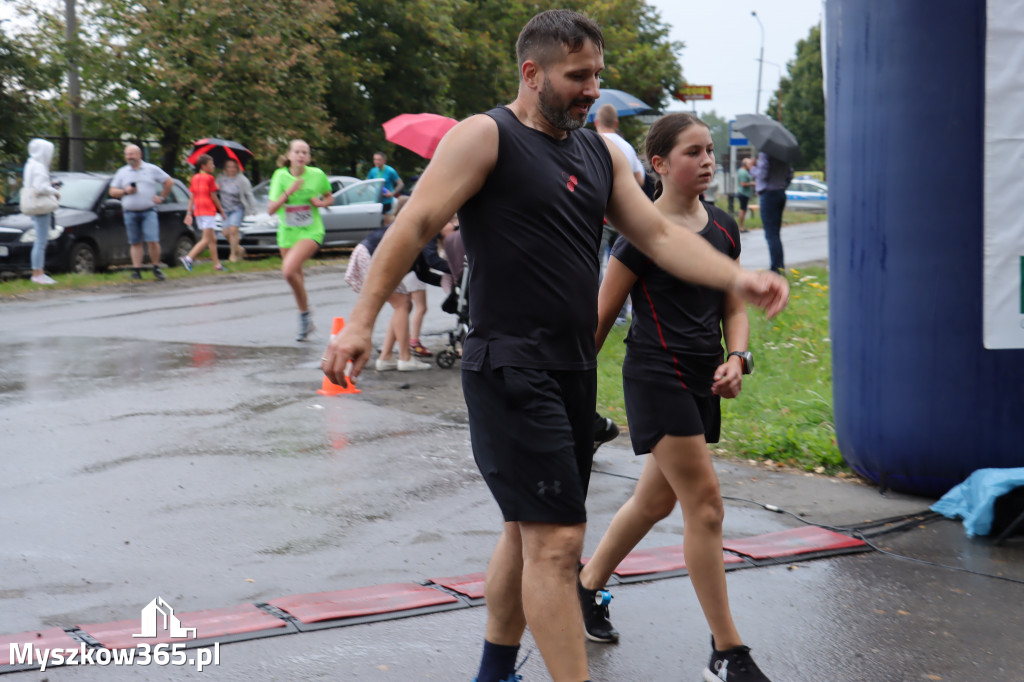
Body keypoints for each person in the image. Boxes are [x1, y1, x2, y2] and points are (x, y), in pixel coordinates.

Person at [320, 10, 788, 681]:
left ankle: (494, 671)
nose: (592, 87)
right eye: (578, 76)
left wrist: (737, 276)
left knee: (525, 531)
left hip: (571, 369)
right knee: (558, 542)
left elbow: (658, 238)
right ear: (531, 72)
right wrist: (364, 317)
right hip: (509, 363)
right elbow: (417, 218)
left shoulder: (598, 153)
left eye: (597, 73)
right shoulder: (486, 136)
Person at [577, 113, 773, 682]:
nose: (708, 160)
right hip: (655, 377)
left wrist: (737, 357)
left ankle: (587, 586)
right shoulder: (638, 237)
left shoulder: (725, 227)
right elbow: (599, 319)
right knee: (705, 505)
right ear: (659, 164)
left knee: (655, 502)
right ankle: (727, 651)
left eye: (710, 150)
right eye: (694, 152)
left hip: (702, 377)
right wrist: (570, 393)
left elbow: (734, 304)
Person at [267, 139, 334, 341]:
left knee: (288, 272)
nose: (301, 155)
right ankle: (306, 319)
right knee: (296, 277)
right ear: (289, 156)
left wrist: (321, 203)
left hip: (311, 231)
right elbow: (271, 209)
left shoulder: (317, 175)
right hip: (287, 233)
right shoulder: (280, 176)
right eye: (297, 152)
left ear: (309, 157)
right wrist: (290, 191)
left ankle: (304, 314)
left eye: (305, 152)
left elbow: (330, 198)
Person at [343, 225, 432, 372]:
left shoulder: (416, 228)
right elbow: (432, 261)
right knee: (402, 304)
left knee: (404, 304)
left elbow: (422, 273)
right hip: (371, 254)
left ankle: (386, 356)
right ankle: (405, 358)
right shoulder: (425, 230)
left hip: (367, 252)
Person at [109, 144, 175, 281]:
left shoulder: (151, 169)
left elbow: (169, 181)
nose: (129, 157)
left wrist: (162, 197)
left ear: (140, 155)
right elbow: (112, 192)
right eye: (127, 154)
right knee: (135, 242)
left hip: (148, 211)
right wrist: (125, 191)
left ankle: (156, 267)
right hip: (130, 212)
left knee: (152, 240)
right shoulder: (122, 172)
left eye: (132, 154)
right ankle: (137, 270)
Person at [23, 138, 60, 285]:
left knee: (39, 240)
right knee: (41, 241)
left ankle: (38, 272)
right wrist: (54, 191)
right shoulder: (39, 167)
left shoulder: (30, 164)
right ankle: (38, 273)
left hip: (33, 205)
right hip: (41, 207)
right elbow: (40, 188)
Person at [750, 151, 793, 274]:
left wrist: (751, 167)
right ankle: (779, 266)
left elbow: (762, 174)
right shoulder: (785, 154)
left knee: (771, 234)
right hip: (780, 193)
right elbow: (790, 174)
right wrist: (782, 185)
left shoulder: (765, 153)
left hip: (768, 194)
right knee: (776, 233)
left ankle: (776, 268)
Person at [181, 154, 226, 272]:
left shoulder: (195, 178)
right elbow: (213, 196)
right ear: (204, 166)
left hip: (199, 211)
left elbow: (192, 196)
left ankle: (217, 265)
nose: (213, 166)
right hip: (208, 210)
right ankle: (188, 258)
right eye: (211, 164)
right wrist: (221, 210)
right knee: (206, 239)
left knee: (212, 239)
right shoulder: (210, 178)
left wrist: (189, 212)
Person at [216, 158, 257, 263]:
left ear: (237, 168)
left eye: (234, 167)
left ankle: (233, 255)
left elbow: (249, 194)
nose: (232, 169)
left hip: (237, 208)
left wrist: (253, 209)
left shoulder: (242, 180)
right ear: (225, 168)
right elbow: (214, 191)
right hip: (225, 209)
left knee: (233, 231)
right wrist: (215, 188)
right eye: (229, 167)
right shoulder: (221, 178)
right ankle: (239, 249)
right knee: (225, 232)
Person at [366, 151, 403, 217]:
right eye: (375, 159)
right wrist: (360, 191)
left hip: (387, 202)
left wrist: (392, 193)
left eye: (379, 160)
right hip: (376, 201)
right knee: (377, 223)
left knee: (386, 223)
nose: (376, 161)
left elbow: (401, 184)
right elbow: (366, 183)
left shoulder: (390, 171)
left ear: (384, 161)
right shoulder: (372, 171)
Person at [736, 157, 755, 232]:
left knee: (744, 210)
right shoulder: (743, 172)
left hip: (744, 194)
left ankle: (742, 226)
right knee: (742, 210)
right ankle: (741, 227)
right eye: (749, 163)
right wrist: (752, 183)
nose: (750, 165)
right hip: (743, 193)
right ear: (745, 164)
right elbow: (743, 184)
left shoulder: (742, 171)